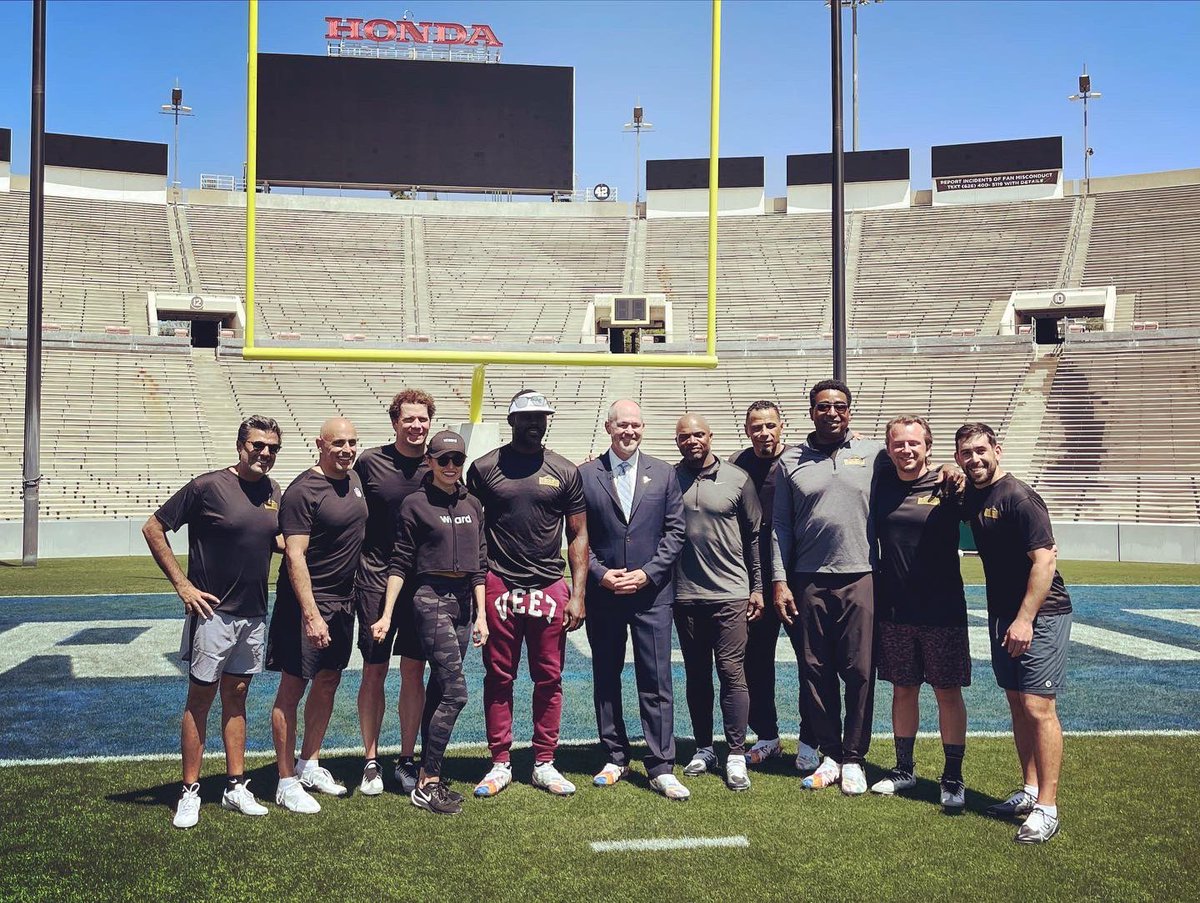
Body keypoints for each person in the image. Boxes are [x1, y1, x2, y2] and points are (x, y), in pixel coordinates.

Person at [144, 416, 284, 829]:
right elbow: (153, 527)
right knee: (200, 700)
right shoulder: (207, 486)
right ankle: (190, 791)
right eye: (258, 445)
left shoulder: (274, 492)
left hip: (254, 613)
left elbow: (273, 541)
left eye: (272, 448)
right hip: (213, 614)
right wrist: (183, 586)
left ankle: (235, 785)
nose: (264, 453)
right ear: (240, 445)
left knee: (237, 696)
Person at [467, 389, 589, 797]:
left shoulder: (564, 470)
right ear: (512, 420)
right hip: (500, 581)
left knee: (549, 677)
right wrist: (478, 590)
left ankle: (544, 761)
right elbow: (474, 532)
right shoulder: (484, 469)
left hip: (549, 584)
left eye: (542, 417)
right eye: (528, 417)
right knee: (499, 676)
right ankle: (500, 761)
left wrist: (577, 593)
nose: (535, 424)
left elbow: (578, 534)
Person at [955, 423, 1072, 844]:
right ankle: (1028, 791)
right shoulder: (972, 494)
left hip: (1039, 615)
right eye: (966, 453)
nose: (975, 459)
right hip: (1004, 615)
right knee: (1018, 706)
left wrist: (1025, 619)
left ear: (998, 451)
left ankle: (1048, 807)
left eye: (981, 450)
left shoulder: (1019, 497)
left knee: (1039, 708)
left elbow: (1044, 563)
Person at [771, 379, 885, 796]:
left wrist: (947, 470)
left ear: (849, 411)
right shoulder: (791, 461)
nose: (831, 413)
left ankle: (855, 757)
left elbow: (916, 468)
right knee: (814, 670)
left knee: (858, 670)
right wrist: (780, 581)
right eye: (823, 406)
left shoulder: (875, 454)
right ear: (811, 412)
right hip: (808, 579)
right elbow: (780, 526)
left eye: (839, 406)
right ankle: (831, 753)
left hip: (860, 575)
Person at [373, 431, 489, 815]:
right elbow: (400, 561)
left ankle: (427, 773)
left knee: (441, 689)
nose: (451, 467)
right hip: (430, 600)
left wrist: (482, 617)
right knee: (457, 694)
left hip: (463, 605)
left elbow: (479, 566)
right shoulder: (415, 504)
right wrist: (388, 614)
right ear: (430, 462)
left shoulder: (473, 503)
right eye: (444, 460)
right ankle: (428, 781)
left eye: (458, 459)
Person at [580, 400, 689, 800]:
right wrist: (599, 574)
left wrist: (648, 573)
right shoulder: (586, 474)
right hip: (604, 593)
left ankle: (661, 765)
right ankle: (614, 755)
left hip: (652, 594)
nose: (629, 431)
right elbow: (577, 536)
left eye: (636, 425)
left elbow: (675, 532)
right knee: (606, 677)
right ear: (608, 427)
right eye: (622, 424)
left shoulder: (663, 473)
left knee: (656, 679)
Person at [266, 417, 368, 813]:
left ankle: (309, 762)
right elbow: (294, 555)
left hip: (345, 601)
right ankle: (286, 779)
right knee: (293, 688)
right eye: (338, 442)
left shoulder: (355, 480)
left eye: (352, 442)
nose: (346, 449)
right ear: (319, 444)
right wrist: (311, 615)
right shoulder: (302, 490)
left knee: (328, 681)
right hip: (307, 604)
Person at [869, 416, 970, 809]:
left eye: (914, 443)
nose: (906, 450)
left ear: (928, 447)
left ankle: (953, 776)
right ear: (888, 448)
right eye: (898, 444)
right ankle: (904, 769)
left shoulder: (948, 484)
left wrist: (954, 469)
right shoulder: (881, 482)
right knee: (903, 689)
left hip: (942, 608)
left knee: (947, 692)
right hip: (894, 608)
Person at [729, 400, 820, 773]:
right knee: (754, 662)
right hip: (754, 581)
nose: (763, 433)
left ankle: (811, 738)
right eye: (756, 427)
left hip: (799, 579)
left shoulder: (801, 459)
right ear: (747, 430)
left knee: (811, 662)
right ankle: (766, 735)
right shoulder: (738, 465)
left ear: (782, 426)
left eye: (770, 426)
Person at [673, 413, 762, 792]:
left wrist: (757, 587)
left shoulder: (737, 478)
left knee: (731, 672)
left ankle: (736, 753)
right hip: (685, 594)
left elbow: (755, 535)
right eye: (685, 436)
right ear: (677, 441)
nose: (692, 441)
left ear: (711, 437)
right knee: (696, 673)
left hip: (730, 593)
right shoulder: (667, 478)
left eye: (699, 434)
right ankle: (705, 747)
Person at [353, 389, 434, 797]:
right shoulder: (370, 461)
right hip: (375, 577)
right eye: (409, 419)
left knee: (413, 670)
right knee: (374, 668)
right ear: (394, 422)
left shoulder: (439, 463)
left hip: (422, 582)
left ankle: (405, 758)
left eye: (423, 419)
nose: (416, 426)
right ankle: (370, 760)